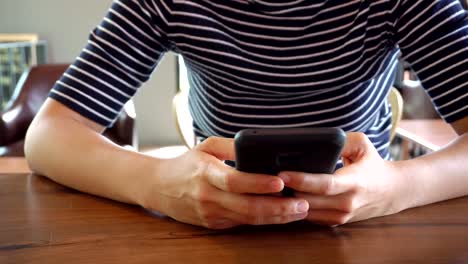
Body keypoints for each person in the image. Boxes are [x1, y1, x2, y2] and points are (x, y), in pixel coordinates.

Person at [25, 0, 468, 229]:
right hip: (215, 224)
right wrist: (156, 184)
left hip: (367, 226)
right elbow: (48, 135)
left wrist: (395, 187)